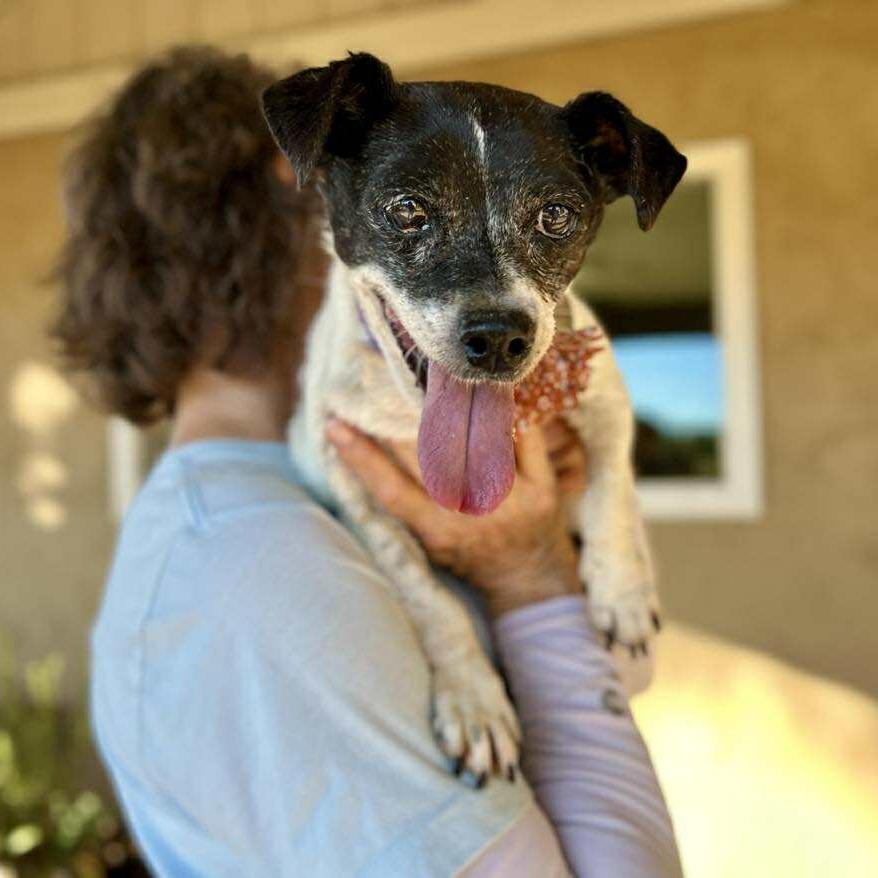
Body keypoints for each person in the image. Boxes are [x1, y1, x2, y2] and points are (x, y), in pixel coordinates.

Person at [54, 47, 683, 877]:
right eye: (416, 211)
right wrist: (531, 575)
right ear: (304, 197)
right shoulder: (262, 569)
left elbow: (623, 668)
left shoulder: (285, 504)